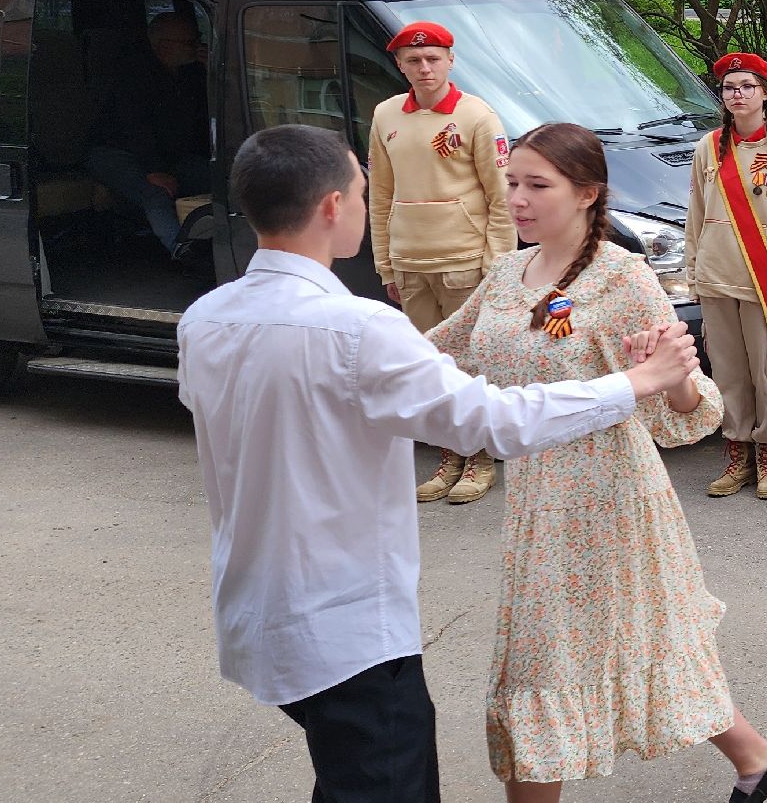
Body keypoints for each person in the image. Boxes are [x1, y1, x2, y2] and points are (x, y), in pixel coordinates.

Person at [177, 124, 706, 803]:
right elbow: (493, 421)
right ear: (334, 207)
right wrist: (634, 383)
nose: (518, 197)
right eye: (364, 192)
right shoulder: (357, 329)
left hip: (255, 608)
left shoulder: (207, 317)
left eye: (533, 184)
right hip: (345, 629)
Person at [424, 122, 767, 802]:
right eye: (512, 183)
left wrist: (674, 374)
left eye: (538, 185)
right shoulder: (508, 272)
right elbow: (439, 352)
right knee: (630, 643)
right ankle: (755, 756)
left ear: (588, 193)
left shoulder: (623, 278)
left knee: (549, 663)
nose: (519, 200)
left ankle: (752, 756)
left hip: (609, 495)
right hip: (538, 493)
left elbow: (694, 411)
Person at [369, 20, 520, 506]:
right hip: (411, 260)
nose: (424, 67)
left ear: (451, 60)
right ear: (399, 65)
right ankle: (449, 456)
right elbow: (381, 195)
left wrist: (499, 266)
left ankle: (478, 460)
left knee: (470, 365)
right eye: (414, 60)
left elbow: (502, 198)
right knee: (429, 367)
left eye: (434, 58)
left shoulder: (477, 116)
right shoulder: (386, 115)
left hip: (465, 261)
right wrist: (386, 264)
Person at [687, 53, 767, 501]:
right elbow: (696, 216)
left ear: (765, 93)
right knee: (728, 372)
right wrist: (692, 269)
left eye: (746, 86)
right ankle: (736, 449)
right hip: (716, 277)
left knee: (766, 371)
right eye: (729, 88)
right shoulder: (709, 147)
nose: (737, 95)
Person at [85, 9, 211, 255]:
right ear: (163, 46)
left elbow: (203, 120)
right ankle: (183, 251)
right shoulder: (132, 74)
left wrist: (212, 74)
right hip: (117, 152)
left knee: (215, 176)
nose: (198, 47)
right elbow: (134, 126)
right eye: (190, 42)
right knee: (156, 193)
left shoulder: (191, 72)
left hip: (167, 153)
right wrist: (154, 169)